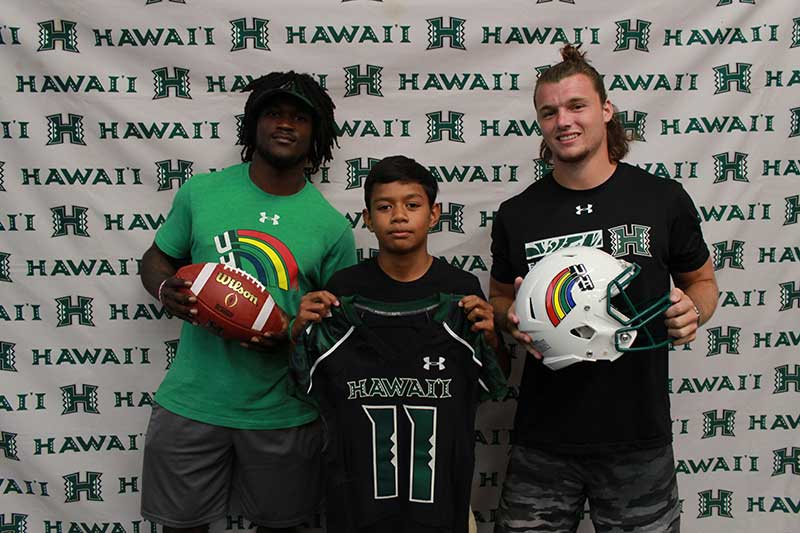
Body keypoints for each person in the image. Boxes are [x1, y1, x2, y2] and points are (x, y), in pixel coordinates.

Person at [490, 45, 718, 532]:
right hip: (542, 441)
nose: (563, 121)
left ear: (605, 110)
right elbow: (499, 296)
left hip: (638, 439)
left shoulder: (661, 199)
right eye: (548, 112)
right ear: (539, 123)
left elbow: (702, 282)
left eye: (577, 106)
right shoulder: (517, 213)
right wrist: (508, 318)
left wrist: (692, 311)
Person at [138, 71, 356, 533]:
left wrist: (291, 331)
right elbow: (157, 257)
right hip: (193, 402)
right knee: (181, 528)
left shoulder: (331, 226)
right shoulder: (202, 193)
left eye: (300, 118)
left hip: (283, 409)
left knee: (284, 528)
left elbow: (340, 327)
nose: (286, 125)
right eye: (274, 113)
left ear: (316, 135)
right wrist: (164, 289)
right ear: (253, 123)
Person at [289, 155, 508, 532]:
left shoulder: (461, 292)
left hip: (441, 508)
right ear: (369, 218)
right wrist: (298, 332)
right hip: (360, 509)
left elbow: (493, 382)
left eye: (412, 205)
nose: (399, 216)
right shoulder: (342, 292)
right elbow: (305, 382)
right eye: (385, 207)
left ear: (434, 214)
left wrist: (490, 338)